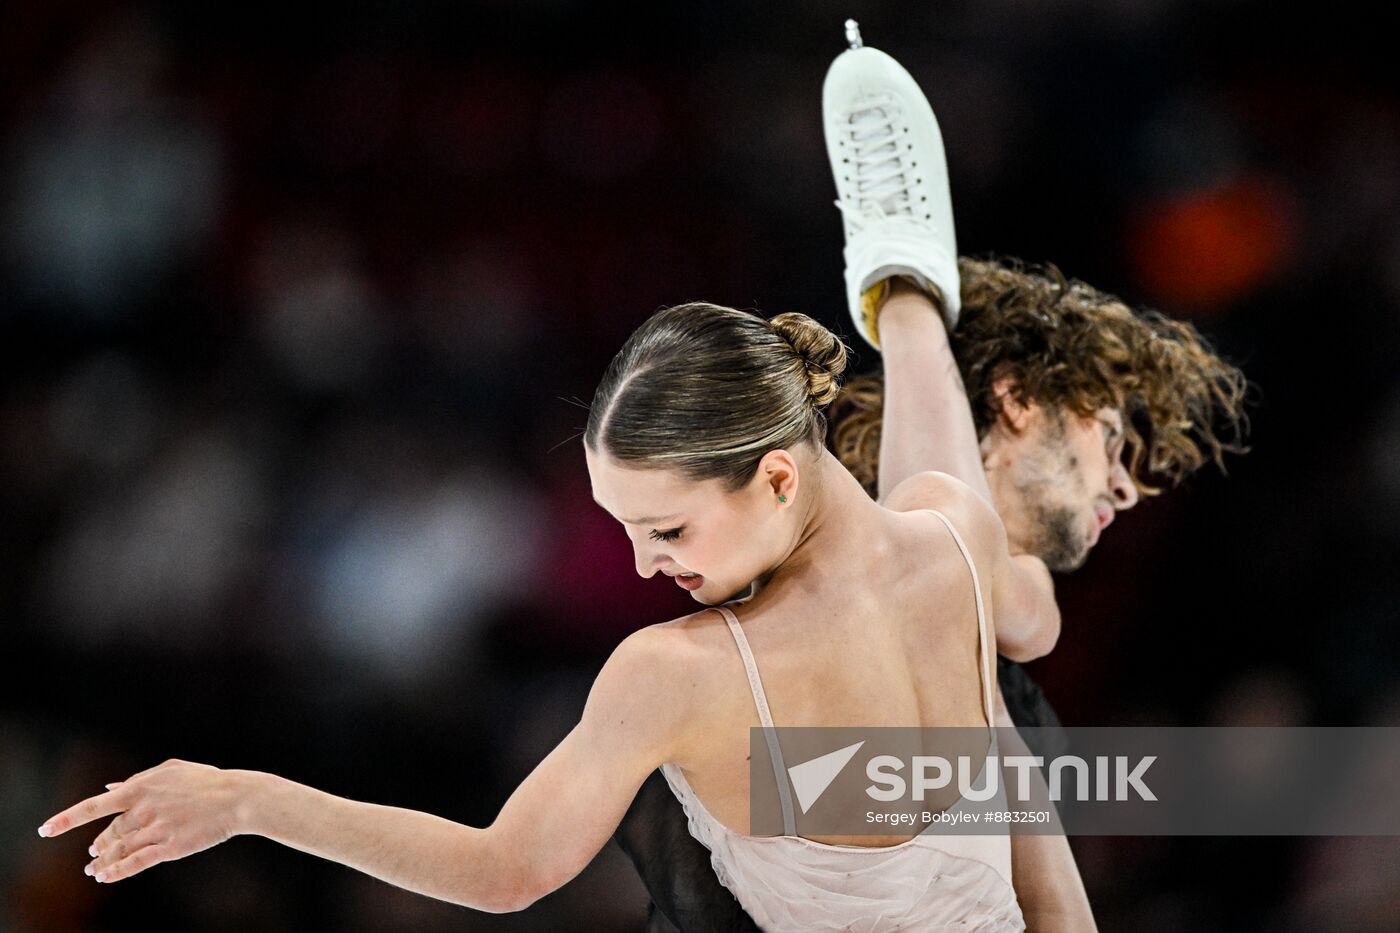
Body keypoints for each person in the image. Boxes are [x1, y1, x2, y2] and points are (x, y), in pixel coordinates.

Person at [39, 292, 1048, 929]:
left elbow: (504, 871)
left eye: (668, 530)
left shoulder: (681, 671)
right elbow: (931, 442)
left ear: (776, 476)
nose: (646, 567)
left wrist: (251, 801)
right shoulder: (955, 540)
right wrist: (908, 302)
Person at [614, 28, 1248, 933]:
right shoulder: (819, 556)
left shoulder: (980, 638)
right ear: (1018, 402)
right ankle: (903, 278)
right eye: (1109, 437)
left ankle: (903, 278)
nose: (1127, 483)